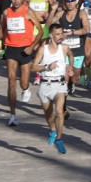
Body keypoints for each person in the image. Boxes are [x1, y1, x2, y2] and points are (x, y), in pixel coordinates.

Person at [0, 0, 41, 126]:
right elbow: (2, 29)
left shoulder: (28, 12)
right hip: (11, 49)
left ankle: (26, 89)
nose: (15, 1)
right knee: (11, 80)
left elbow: (40, 31)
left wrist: (32, 46)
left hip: (25, 50)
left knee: (23, 83)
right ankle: (13, 115)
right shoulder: (6, 13)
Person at [30, 24, 72, 154]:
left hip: (60, 84)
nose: (61, 36)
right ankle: (53, 130)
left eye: (62, 33)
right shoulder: (43, 50)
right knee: (49, 115)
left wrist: (69, 67)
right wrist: (47, 67)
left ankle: (59, 139)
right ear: (51, 36)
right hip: (45, 84)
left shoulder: (64, 48)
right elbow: (33, 67)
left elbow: (71, 55)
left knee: (59, 111)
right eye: (58, 34)